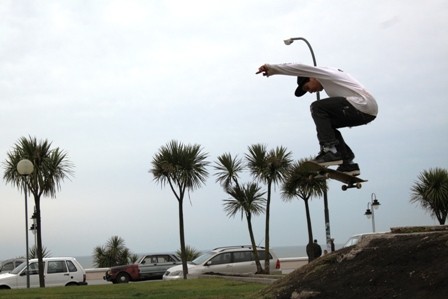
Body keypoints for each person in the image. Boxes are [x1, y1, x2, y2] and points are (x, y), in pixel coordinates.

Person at [256, 63, 378, 175]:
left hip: (363, 105)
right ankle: (348, 163)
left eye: (307, 87)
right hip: (366, 111)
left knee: (317, 107)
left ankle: (330, 151)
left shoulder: (323, 73)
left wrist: (272, 69)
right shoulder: (332, 80)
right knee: (326, 125)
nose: (310, 91)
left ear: (311, 77)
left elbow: (297, 67)